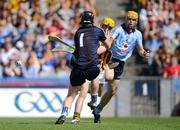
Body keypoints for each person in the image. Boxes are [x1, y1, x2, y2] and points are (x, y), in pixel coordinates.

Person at [92, 11, 150, 123]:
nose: (131, 22)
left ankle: (98, 110)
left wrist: (144, 54)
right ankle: (96, 87)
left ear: (136, 22)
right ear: (125, 19)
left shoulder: (138, 34)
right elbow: (110, 40)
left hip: (121, 63)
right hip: (110, 57)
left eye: (133, 20)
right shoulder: (118, 29)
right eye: (129, 19)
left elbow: (140, 50)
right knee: (109, 77)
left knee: (113, 91)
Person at [55, 11, 111, 125]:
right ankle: (94, 100)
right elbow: (107, 47)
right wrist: (108, 40)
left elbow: (81, 50)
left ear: (81, 20)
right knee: (95, 75)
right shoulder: (98, 31)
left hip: (78, 68)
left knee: (71, 94)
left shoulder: (77, 32)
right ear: (93, 20)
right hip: (92, 68)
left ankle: (64, 114)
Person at [71, 17, 116, 124]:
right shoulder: (94, 33)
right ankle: (76, 117)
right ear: (101, 25)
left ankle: (96, 112)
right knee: (83, 92)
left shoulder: (109, 39)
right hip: (88, 67)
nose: (107, 28)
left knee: (99, 93)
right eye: (105, 26)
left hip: (100, 68)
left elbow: (99, 50)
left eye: (109, 27)